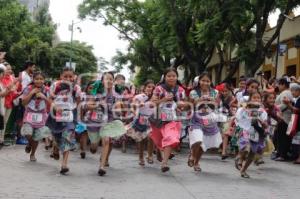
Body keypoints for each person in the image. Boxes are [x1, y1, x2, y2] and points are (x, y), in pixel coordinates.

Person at [150, 68, 187, 172]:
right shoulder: (159, 89)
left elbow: (184, 104)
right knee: (158, 140)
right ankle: (159, 150)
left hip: (173, 119)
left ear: (177, 77)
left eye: (174, 76)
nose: (171, 78)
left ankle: (164, 163)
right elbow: (152, 103)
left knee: (170, 138)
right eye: (169, 76)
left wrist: (182, 106)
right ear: (164, 77)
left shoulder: (180, 90)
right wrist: (164, 100)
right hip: (158, 119)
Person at [46, 67, 81, 175]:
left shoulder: (76, 88)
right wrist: (55, 107)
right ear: (61, 76)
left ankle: (64, 164)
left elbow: (78, 101)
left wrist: (76, 113)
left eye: (70, 76)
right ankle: (55, 146)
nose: (68, 78)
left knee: (67, 137)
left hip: (69, 115)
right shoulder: (55, 85)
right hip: (56, 115)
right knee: (57, 136)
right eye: (65, 76)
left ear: (74, 77)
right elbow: (49, 99)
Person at [188, 72, 224, 171]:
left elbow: (217, 105)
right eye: (203, 80)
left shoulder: (215, 92)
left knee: (203, 145)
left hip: (210, 120)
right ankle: (191, 155)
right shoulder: (193, 92)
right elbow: (191, 105)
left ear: (210, 82)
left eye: (207, 81)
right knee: (198, 139)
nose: (205, 83)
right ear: (199, 81)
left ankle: (196, 162)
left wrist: (212, 100)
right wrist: (200, 99)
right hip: (197, 119)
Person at [235, 92, 268, 178]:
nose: (256, 100)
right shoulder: (243, 109)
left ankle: (243, 170)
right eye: (254, 98)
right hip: (246, 130)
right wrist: (245, 108)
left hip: (256, 133)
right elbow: (238, 118)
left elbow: (265, 125)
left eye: (258, 98)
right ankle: (240, 157)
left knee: (252, 152)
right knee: (246, 147)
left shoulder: (262, 111)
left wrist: (260, 121)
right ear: (250, 99)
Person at [21, 71, 51, 161]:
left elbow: (51, 103)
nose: (39, 81)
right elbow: (23, 103)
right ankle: (29, 143)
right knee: (28, 133)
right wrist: (31, 93)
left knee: (37, 137)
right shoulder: (28, 88)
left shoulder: (47, 90)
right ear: (33, 80)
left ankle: (32, 154)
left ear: (44, 80)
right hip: (29, 115)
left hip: (41, 116)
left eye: (41, 79)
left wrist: (44, 97)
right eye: (37, 79)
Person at [126, 80, 156, 166]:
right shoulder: (140, 97)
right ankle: (141, 157)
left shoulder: (156, 97)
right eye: (149, 87)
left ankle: (150, 155)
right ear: (144, 87)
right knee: (141, 140)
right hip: (140, 120)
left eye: (153, 87)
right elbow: (132, 106)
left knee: (151, 137)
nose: (151, 89)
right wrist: (138, 105)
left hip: (151, 119)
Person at [273, 78, 293, 161]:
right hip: (282, 117)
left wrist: (274, 108)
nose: (278, 86)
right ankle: (280, 153)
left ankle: (282, 155)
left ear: (283, 85)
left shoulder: (286, 93)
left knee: (282, 137)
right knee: (279, 136)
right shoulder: (285, 92)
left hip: (284, 118)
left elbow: (284, 105)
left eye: (279, 84)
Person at [283, 83, 300, 164]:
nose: (292, 93)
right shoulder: (296, 99)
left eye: (293, 91)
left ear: (298, 91)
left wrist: (288, 104)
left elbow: (296, 110)